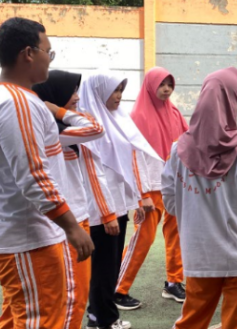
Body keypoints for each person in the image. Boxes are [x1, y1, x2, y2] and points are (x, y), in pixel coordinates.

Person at [0, 18, 94, 329]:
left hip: (18, 235)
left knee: (18, 318)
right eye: (47, 53)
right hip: (26, 237)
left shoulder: (8, 98)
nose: (49, 60)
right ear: (28, 53)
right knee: (43, 319)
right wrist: (72, 227)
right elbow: (34, 176)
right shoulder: (16, 103)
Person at [162, 67, 237, 329]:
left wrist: (196, 210)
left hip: (199, 255)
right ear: (235, 101)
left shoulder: (178, 149)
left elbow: (170, 202)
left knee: (191, 322)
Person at [33, 70, 118, 329]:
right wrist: (58, 111)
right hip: (64, 222)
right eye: (71, 92)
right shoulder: (54, 131)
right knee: (71, 296)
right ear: (53, 94)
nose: (77, 97)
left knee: (76, 294)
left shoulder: (62, 128)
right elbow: (96, 128)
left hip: (77, 217)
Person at [79, 72, 161, 329]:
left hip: (117, 206)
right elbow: (93, 174)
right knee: (103, 267)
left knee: (111, 265)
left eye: (121, 91)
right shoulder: (89, 125)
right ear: (98, 92)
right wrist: (106, 213)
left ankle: (99, 316)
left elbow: (131, 159)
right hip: (101, 211)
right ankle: (103, 319)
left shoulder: (117, 119)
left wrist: (136, 199)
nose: (118, 96)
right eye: (114, 90)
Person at [116, 67, 188, 304]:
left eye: (170, 84)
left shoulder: (174, 113)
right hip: (150, 188)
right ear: (150, 86)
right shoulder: (137, 116)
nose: (166, 89)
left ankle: (174, 282)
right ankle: (118, 288)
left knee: (176, 234)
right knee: (143, 238)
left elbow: (186, 144)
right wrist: (141, 193)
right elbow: (132, 158)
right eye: (161, 84)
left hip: (174, 185)